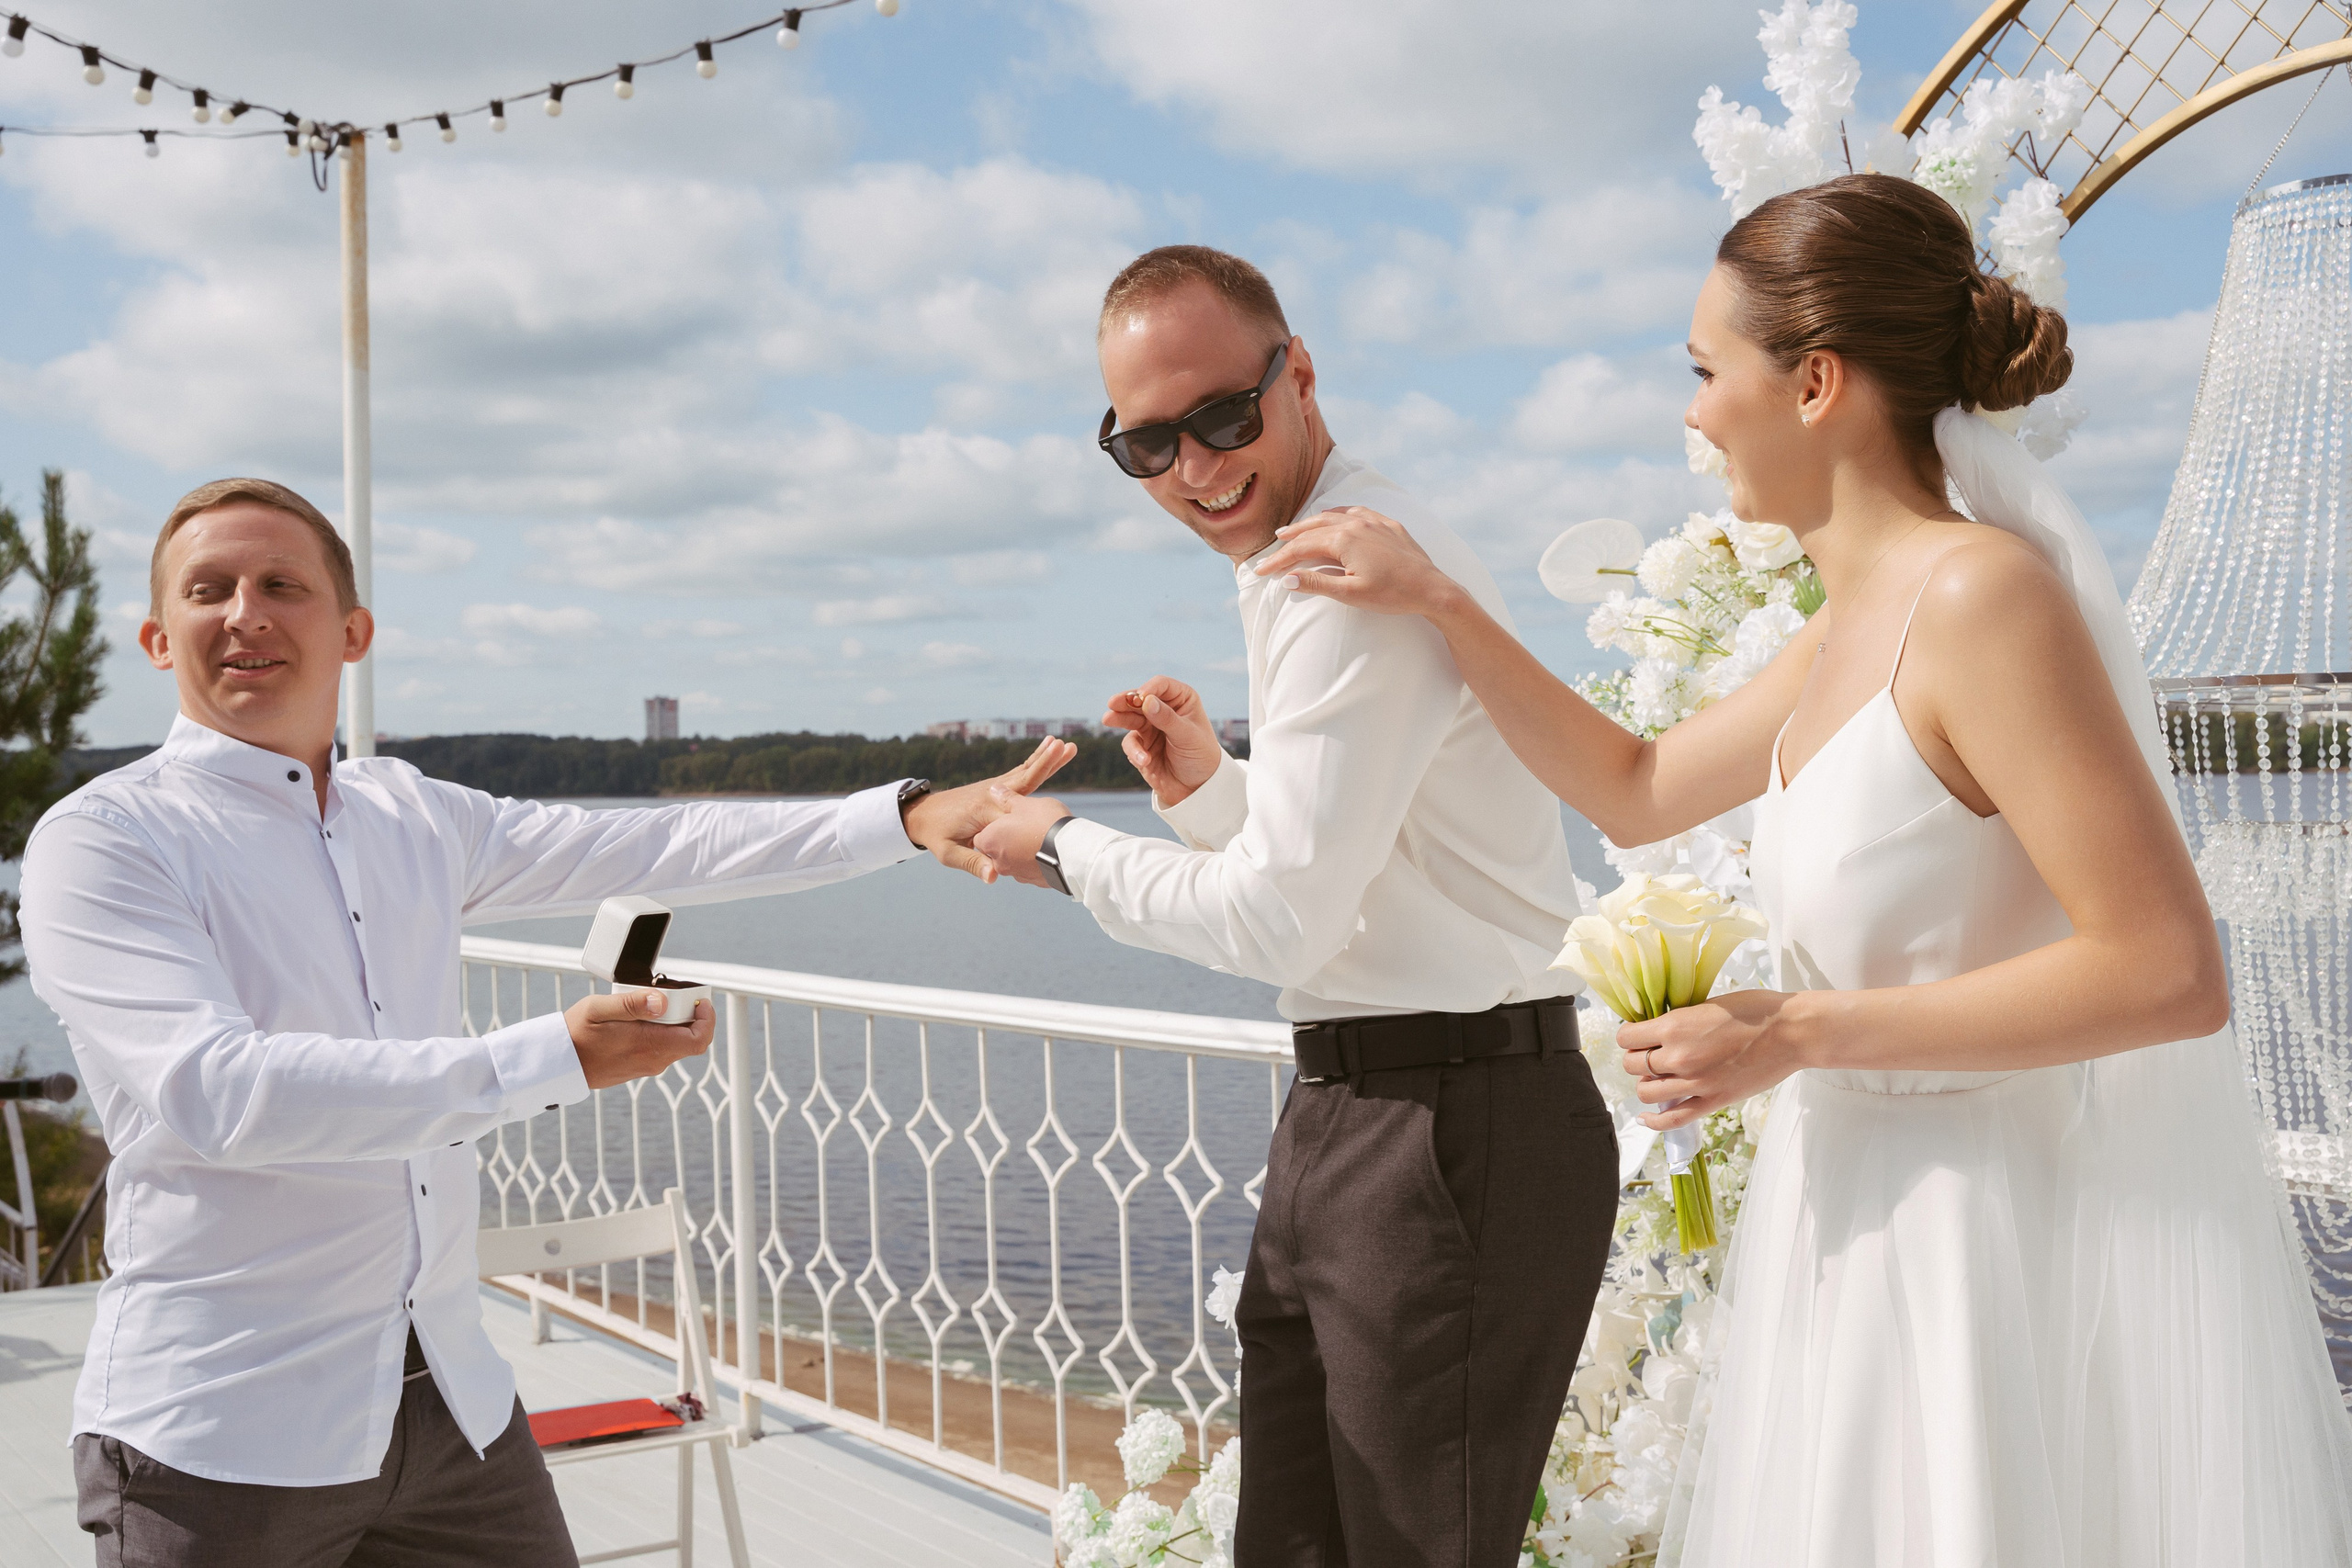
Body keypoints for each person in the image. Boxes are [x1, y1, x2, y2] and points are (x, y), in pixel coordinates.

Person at [1250, 174, 2352, 1564]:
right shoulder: (1848, 620)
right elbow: (1634, 789)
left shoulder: (1980, 598)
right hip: (1839, 1217)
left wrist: (1797, 1028)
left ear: (1817, 381)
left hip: (1969, 1246)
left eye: (1711, 370)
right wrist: (1440, 602)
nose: (1696, 412)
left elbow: (2170, 970)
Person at [21, 478, 1071, 1568]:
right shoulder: (106, 839)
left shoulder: (411, 814)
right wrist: (557, 1055)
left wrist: (900, 817)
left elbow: (656, 848)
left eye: (281, 584)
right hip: (225, 1435)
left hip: (448, 1403)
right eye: (209, 590)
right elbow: (224, 1093)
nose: (245, 612)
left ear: (353, 631)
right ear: (157, 637)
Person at [976, 245, 1620, 1567]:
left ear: (1299, 373)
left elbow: (1283, 923)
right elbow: (1372, 862)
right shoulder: (1301, 559)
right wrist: (1217, 793)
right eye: (1149, 445)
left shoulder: (1347, 571)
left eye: (1224, 417)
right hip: (1369, 1109)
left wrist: (1062, 852)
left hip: (1452, 1126)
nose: (1199, 469)